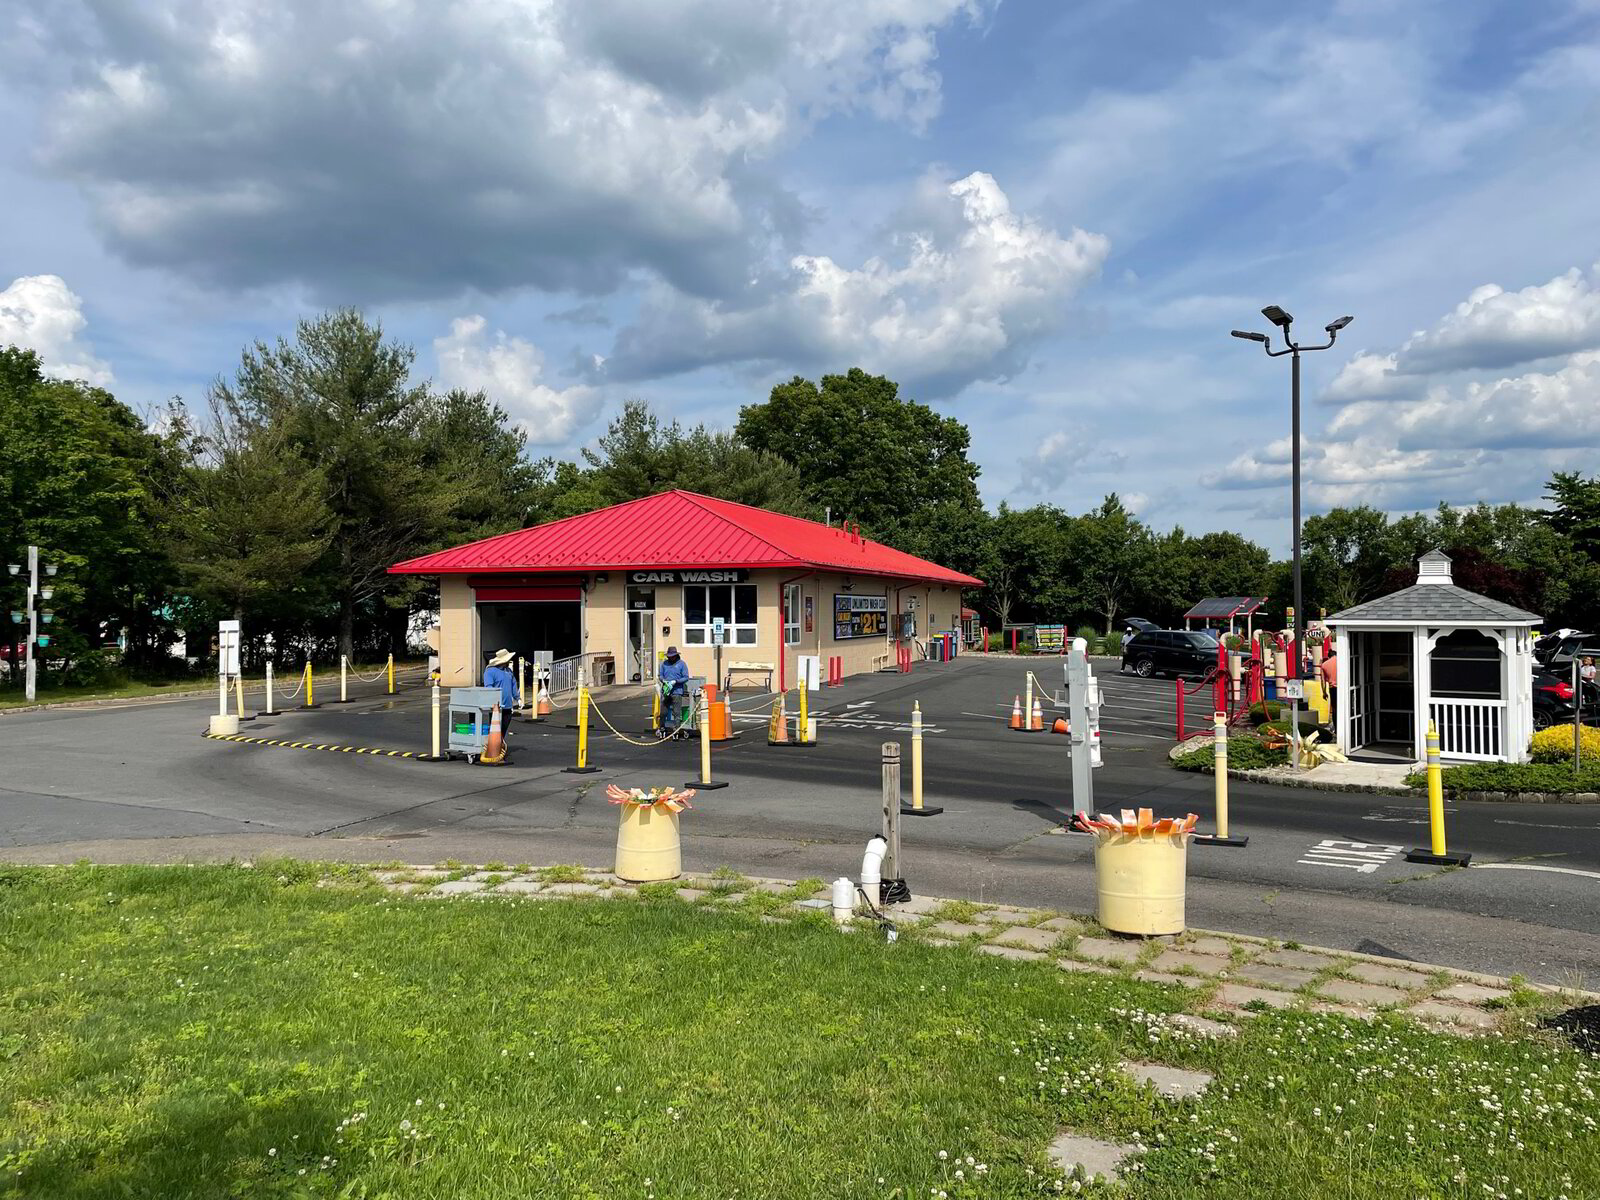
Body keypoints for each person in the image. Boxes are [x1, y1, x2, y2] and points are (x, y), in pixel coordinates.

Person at [658, 646, 690, 737]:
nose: (670, 658)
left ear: (676, 655)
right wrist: (663, 680)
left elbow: (686, 677)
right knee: (663, 712)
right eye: (669, 656)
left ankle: (676, 730)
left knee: (677, 712)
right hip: (666, 691)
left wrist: (676, 681)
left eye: (672, 656)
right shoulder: (664, 664)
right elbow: (660, 675)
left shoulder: (682, 664)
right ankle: (662, 728)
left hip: (677, 691)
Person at [483, 647, 519, 712]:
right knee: (496, 722)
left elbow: (514, 685)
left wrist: (518, 698)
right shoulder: (490, 671)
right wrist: (494, 700)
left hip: (508, 706)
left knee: (506, 720)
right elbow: (488, 687)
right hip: (496, 707)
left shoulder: (509, 671)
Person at [1321, 643, 1338, 724]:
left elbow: (1323, 681)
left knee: (1335, 709)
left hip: (1333, 688)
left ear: (1328, 657)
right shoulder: (1342, 661)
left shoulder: (1324, 665)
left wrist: (1324, 693)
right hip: (1343, 687)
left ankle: (1337, 728)